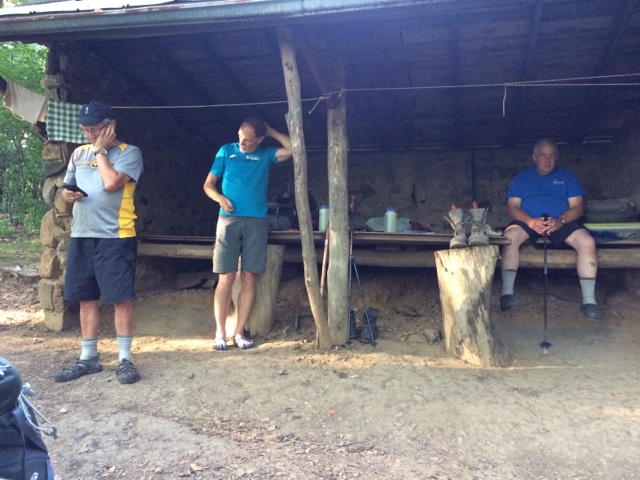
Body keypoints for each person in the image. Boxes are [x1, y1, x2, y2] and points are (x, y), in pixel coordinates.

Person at [53, 101, 144, 384]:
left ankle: (125, 359)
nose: (89, 135)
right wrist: (67, 195)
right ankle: (88, 357)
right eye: (85, 130)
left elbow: (111, 183)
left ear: (110, 126)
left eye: (94, 130)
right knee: (86, 297)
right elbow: (66, 188)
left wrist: (101, 151)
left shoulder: (130, 153)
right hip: (82, 235)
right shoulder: (78, 153)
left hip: (116, 236)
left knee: (120, 298)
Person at [203, 116, 292, 350]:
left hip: (256, 221)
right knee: (226, 277)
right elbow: (208, 185)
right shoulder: (226, 151)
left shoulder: (265, 154)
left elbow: (293, 149)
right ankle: (220, 333)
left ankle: (239, 332)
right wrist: (220, 198)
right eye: (240, 137)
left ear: (260, 139)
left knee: (250, 277)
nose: (242, 143)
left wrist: (271, 131)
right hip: (228, 220)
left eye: (248, 140)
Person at [499, 139, 602, 321]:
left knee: (587, 242)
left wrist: (560, 221)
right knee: (509, 237)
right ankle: (507, 293)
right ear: (534, 157)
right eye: (543, 156)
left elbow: (578, 207)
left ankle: (589, 301)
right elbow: (512, 207)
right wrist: (530, 221)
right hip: (529, 220)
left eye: (552, 156)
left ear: (557, 157)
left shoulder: (568, 177)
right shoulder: (522, 178)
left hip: (562, 221)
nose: (547, 160)